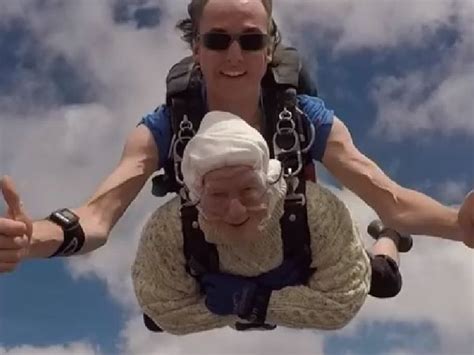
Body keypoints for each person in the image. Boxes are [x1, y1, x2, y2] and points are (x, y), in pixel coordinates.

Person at [0, 0, 472, 275]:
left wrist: (459, 224)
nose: (234, 54)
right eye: (216, 39)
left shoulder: (304, 119)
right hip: (217, 248)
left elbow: (390, 198)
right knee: (168, 301)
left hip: (290, 240)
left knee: (379, 277)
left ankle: (386, 244)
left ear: (269, 50)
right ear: (195, 48)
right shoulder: (167, 125)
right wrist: (31, 239)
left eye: (249, 41)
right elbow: (99, 216)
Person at [132, 111, 409, 335]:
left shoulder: (317, 210)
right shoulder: (169, 229)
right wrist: (251, 305)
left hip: (307, 265)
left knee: (384, 280)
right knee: (153, 321)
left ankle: (390, 234)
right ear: (195, 197)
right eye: (217, 195)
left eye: (248, 190)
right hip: (247, 283)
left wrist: (254, 301)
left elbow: (341, 303)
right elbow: (167, 312)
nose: (236, 211)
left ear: (270, 181)